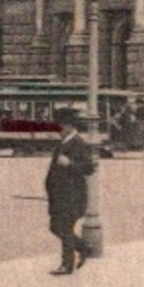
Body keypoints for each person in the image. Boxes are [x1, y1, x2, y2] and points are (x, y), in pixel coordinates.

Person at [45, 109, 96, 275]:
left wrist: (70, 164)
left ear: (68, 126)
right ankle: (84, 247)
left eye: (59, 126)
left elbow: (89, 168)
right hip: (60, 195)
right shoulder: (63, 143)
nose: (57, 130)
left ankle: (67, 264)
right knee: (56, 227)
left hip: (72, 195)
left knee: (63, 227)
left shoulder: (79, 143)